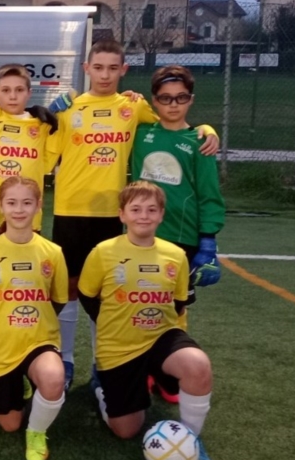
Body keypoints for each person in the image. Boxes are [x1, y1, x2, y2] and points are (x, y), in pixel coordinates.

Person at [46, 40, 219, 391]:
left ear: (124, 70)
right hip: (70, 210)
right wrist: (47, 115)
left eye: (113, 68)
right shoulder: (70, 108)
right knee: (68, 288)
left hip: (114, 214)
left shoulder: (133, 107)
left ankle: (103, 362)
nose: (105, 75)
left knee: (108, 292)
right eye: (98, 67)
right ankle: (66, 359)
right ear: (86, 69)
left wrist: (206, 129)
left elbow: (174, 124)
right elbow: (40, 151)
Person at [78, 181, 214, 460]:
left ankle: (191, 439)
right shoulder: (103, 252)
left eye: (151, 209)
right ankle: (101, 387)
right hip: (119, 346)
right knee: (126, 430)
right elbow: (87, 295)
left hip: (161, 337)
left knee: (198, 365)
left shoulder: (175, 255)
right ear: (122, 214)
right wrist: (113, 322)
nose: (144, 215)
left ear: (161, 214)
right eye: (136, 209)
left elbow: (179, 302)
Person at [130, 65, 225, 403]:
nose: (173, 105)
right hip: (140, 237)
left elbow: (209, 194)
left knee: (175, 308)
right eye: (165, 98)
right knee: (138, 304)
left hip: (182, 240)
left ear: (191, 99)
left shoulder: (199, 142)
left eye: (181, 98)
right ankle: (140, 369)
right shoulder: (140, 132)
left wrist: (208, 240)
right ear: (154, 100)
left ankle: (168, 372)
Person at [0, 176, 68, 460]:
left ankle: (36, 432)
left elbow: (58, 299)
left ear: (38, 206)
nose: (19, 209)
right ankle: (20, 381)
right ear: (1, 206)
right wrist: (3, 320)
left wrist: (36, 319)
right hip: (1, 345)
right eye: (12, 202)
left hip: (39, 339)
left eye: (27, 203)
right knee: (9, 424)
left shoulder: (52, 253)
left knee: (54, 378)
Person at [0, 64, 59, 265]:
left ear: (29, 93)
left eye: (19, 90)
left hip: (28, 218)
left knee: (26, 274)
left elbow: (45, 166)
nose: (12, 96)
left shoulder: (43, 125)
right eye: (5, 90)